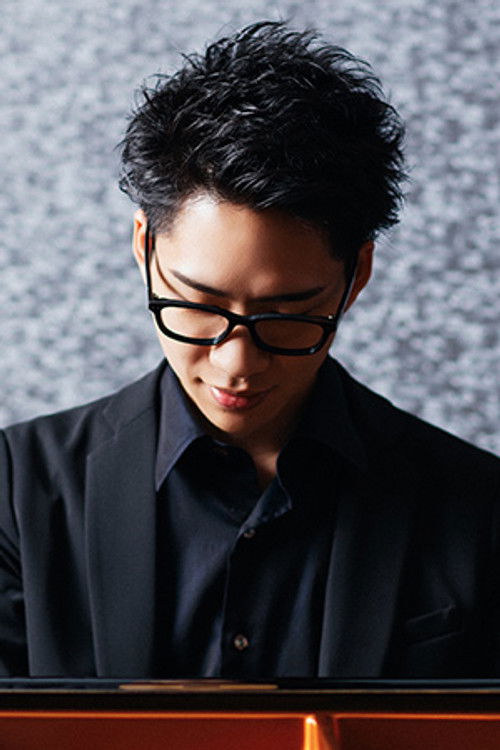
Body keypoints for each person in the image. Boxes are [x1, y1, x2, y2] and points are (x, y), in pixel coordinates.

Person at [0, 21, 499, 679]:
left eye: (287, 316)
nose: (236, 363)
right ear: (144, 246)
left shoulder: (480, 510)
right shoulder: (13, 493)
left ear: (357, 274)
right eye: (199, 305)